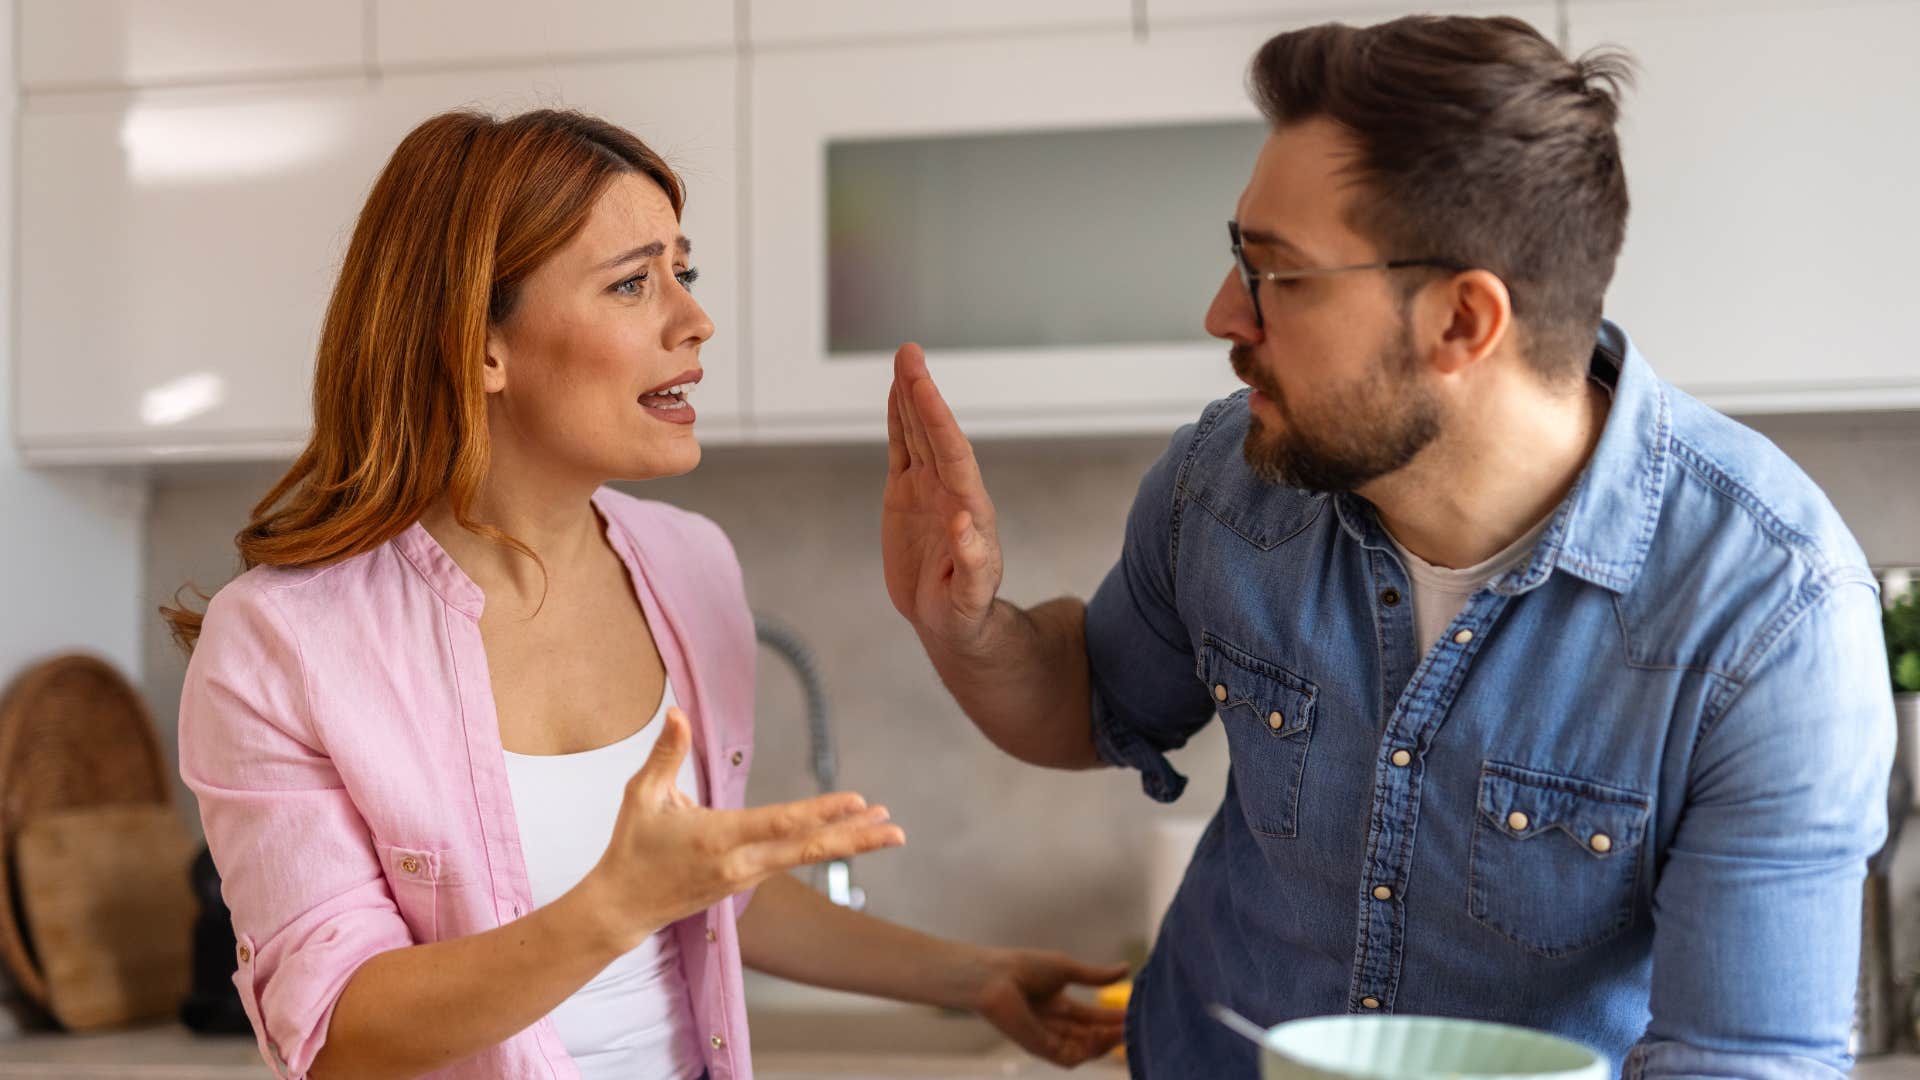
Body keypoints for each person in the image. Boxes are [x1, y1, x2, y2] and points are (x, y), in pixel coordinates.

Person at [881, 14, 1894, 1078]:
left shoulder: (1772, 617)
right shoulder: (1227, 482)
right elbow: (1092, 703)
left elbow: (1738, 1061)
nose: (1226, 312)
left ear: (1463, 322)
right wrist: (963, 624)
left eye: (1279, 273)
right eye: (1240, 256)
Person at [169, 108, 1126, 1080]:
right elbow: (335, 1028)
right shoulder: (285, 643)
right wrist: (614, 905)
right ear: (479, 344)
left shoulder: (688, 566)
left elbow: (707, 888)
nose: (693, 318)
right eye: (632, 282)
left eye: (684, 271)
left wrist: (978, 977)